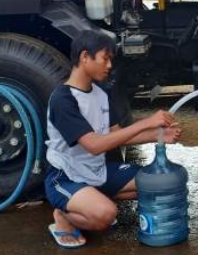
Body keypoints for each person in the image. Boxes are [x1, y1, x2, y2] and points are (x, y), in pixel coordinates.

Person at [44, 30, 182, 248]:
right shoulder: (63, 99)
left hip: (97, 170)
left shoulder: (100, 94)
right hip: (66, 176)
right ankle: (64, 216)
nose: (109, 66)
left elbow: (116, 137)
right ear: (85, 57)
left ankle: (89, 198)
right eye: (105, 58)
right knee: (106, 215)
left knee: (155, 184)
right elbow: (95, 145)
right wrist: (147, 122)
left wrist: (159, 135)